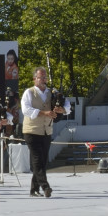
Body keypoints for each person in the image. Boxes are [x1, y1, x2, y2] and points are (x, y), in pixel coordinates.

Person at [21, 67, 64, 198]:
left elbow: (66, 105)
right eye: (41, 77)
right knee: (37, 159)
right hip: (31, 130)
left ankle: (34, 189)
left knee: (43, 161)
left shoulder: (52, 93)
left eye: (45, 77)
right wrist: (44, 112)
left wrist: (62, 109)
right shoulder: (29, 92)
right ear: (35, 79)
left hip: (46, 131)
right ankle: (45, 187)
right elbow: (26, 109)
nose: (44, 80)